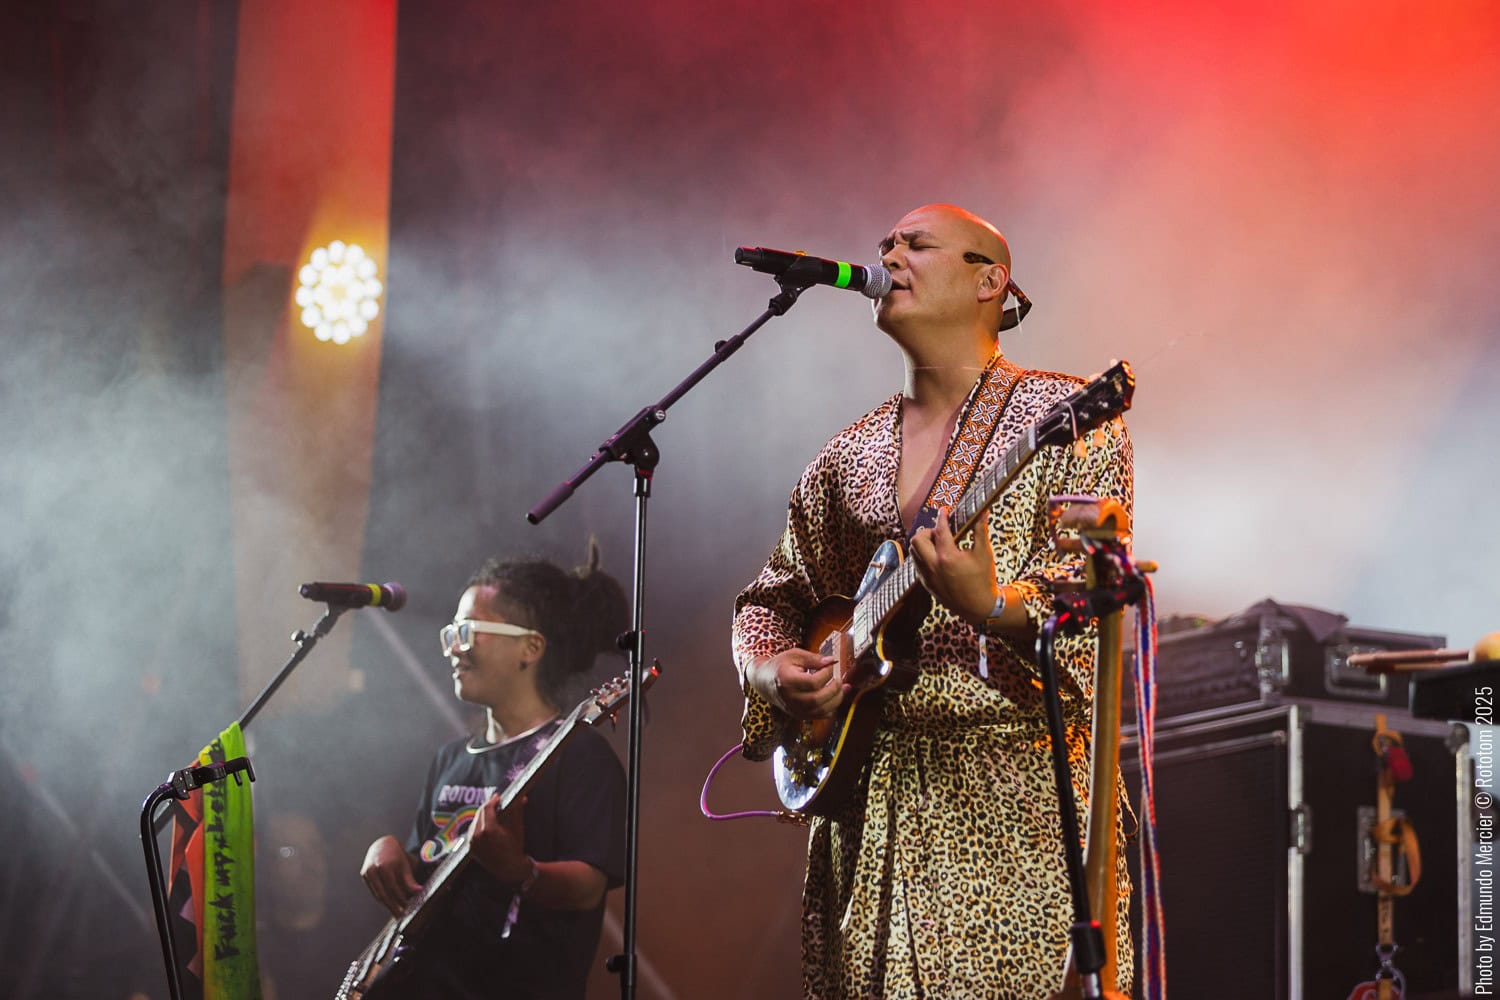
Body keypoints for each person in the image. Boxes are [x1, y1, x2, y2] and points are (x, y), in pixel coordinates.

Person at [732, 204, 1134, 998]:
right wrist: (768, 670)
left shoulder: (1066, 417)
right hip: (865, 806)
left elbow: (1095, 597)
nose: (889, 255)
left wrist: (992, 604)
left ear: (991, 282)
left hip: (1013, 799)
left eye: (916, 243)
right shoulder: (844, 456)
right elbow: (770, 599)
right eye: (885, 242)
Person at [360, 547, 629, 1000]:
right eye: (451, 633)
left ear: (530, 647)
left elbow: (588, 887)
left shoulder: (580, 754)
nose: (454, 648)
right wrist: (389, 852)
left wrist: (519, 870)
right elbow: (427, 867)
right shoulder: (450, 758)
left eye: (468, 631)